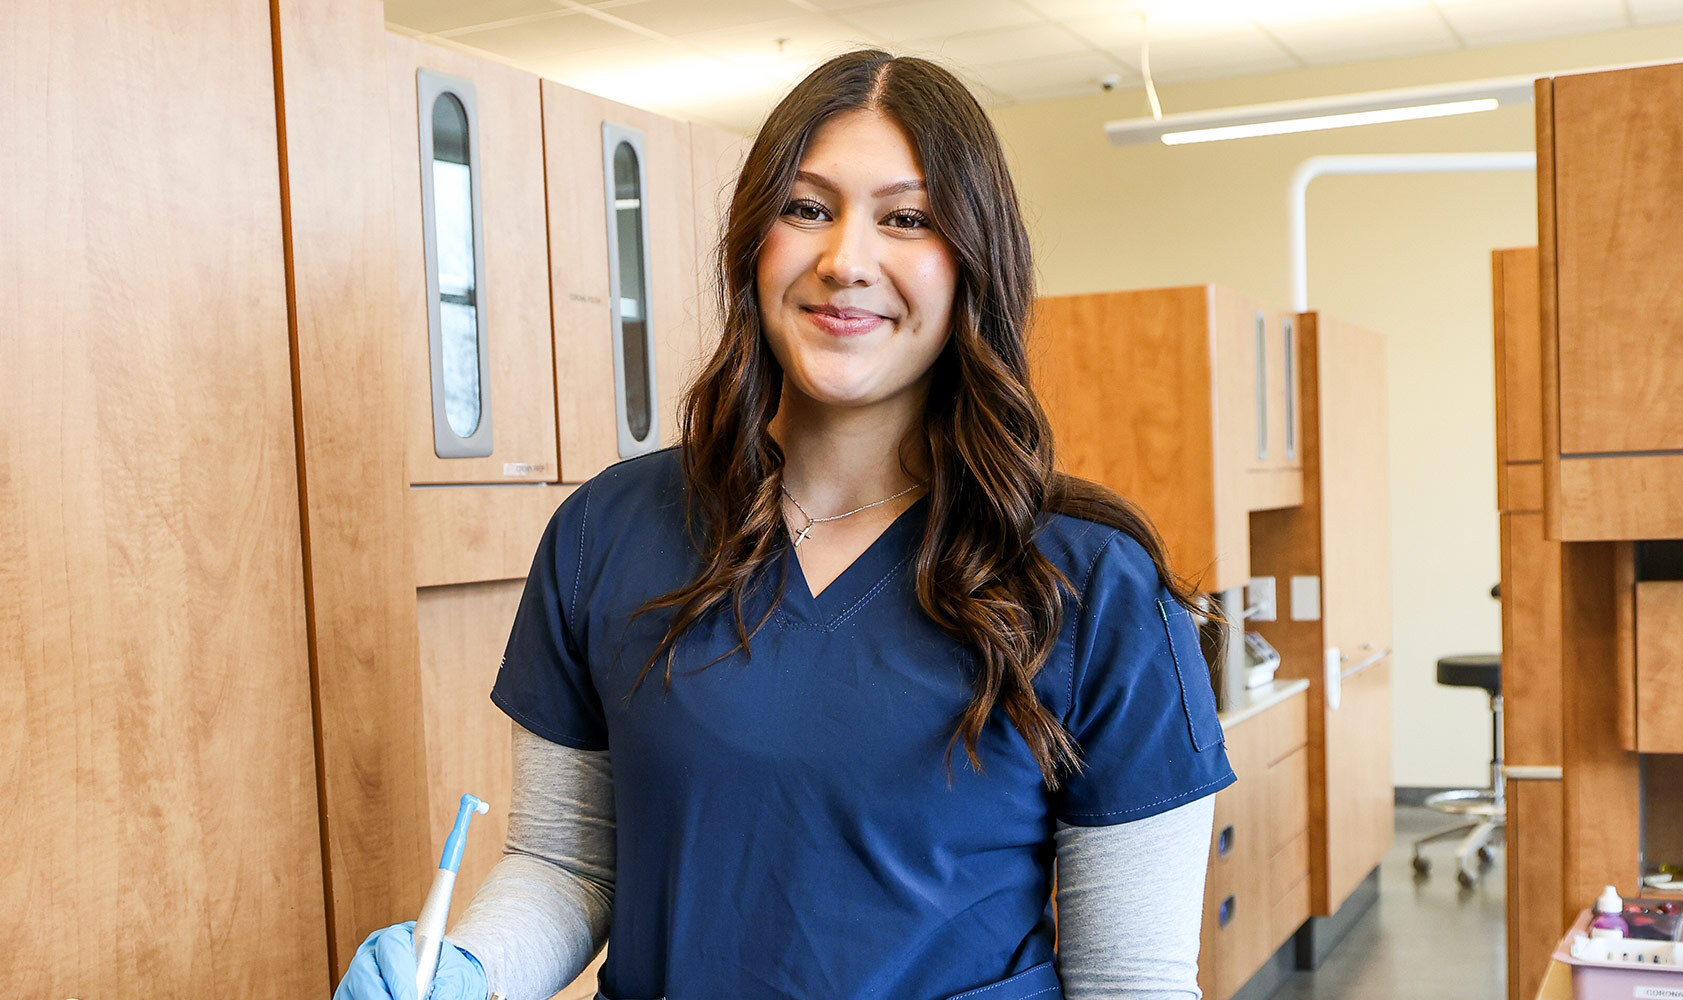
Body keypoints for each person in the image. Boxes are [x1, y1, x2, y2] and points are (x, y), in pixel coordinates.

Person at [334, 47, 1233, 1000]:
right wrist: (469, 971)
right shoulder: (608, 532)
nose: (846, 261)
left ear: (974, 262)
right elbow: (570, 862)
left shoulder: (1090, 587)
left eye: (907, 218)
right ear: (753, 242)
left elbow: (1129, 978)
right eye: (807, 208)